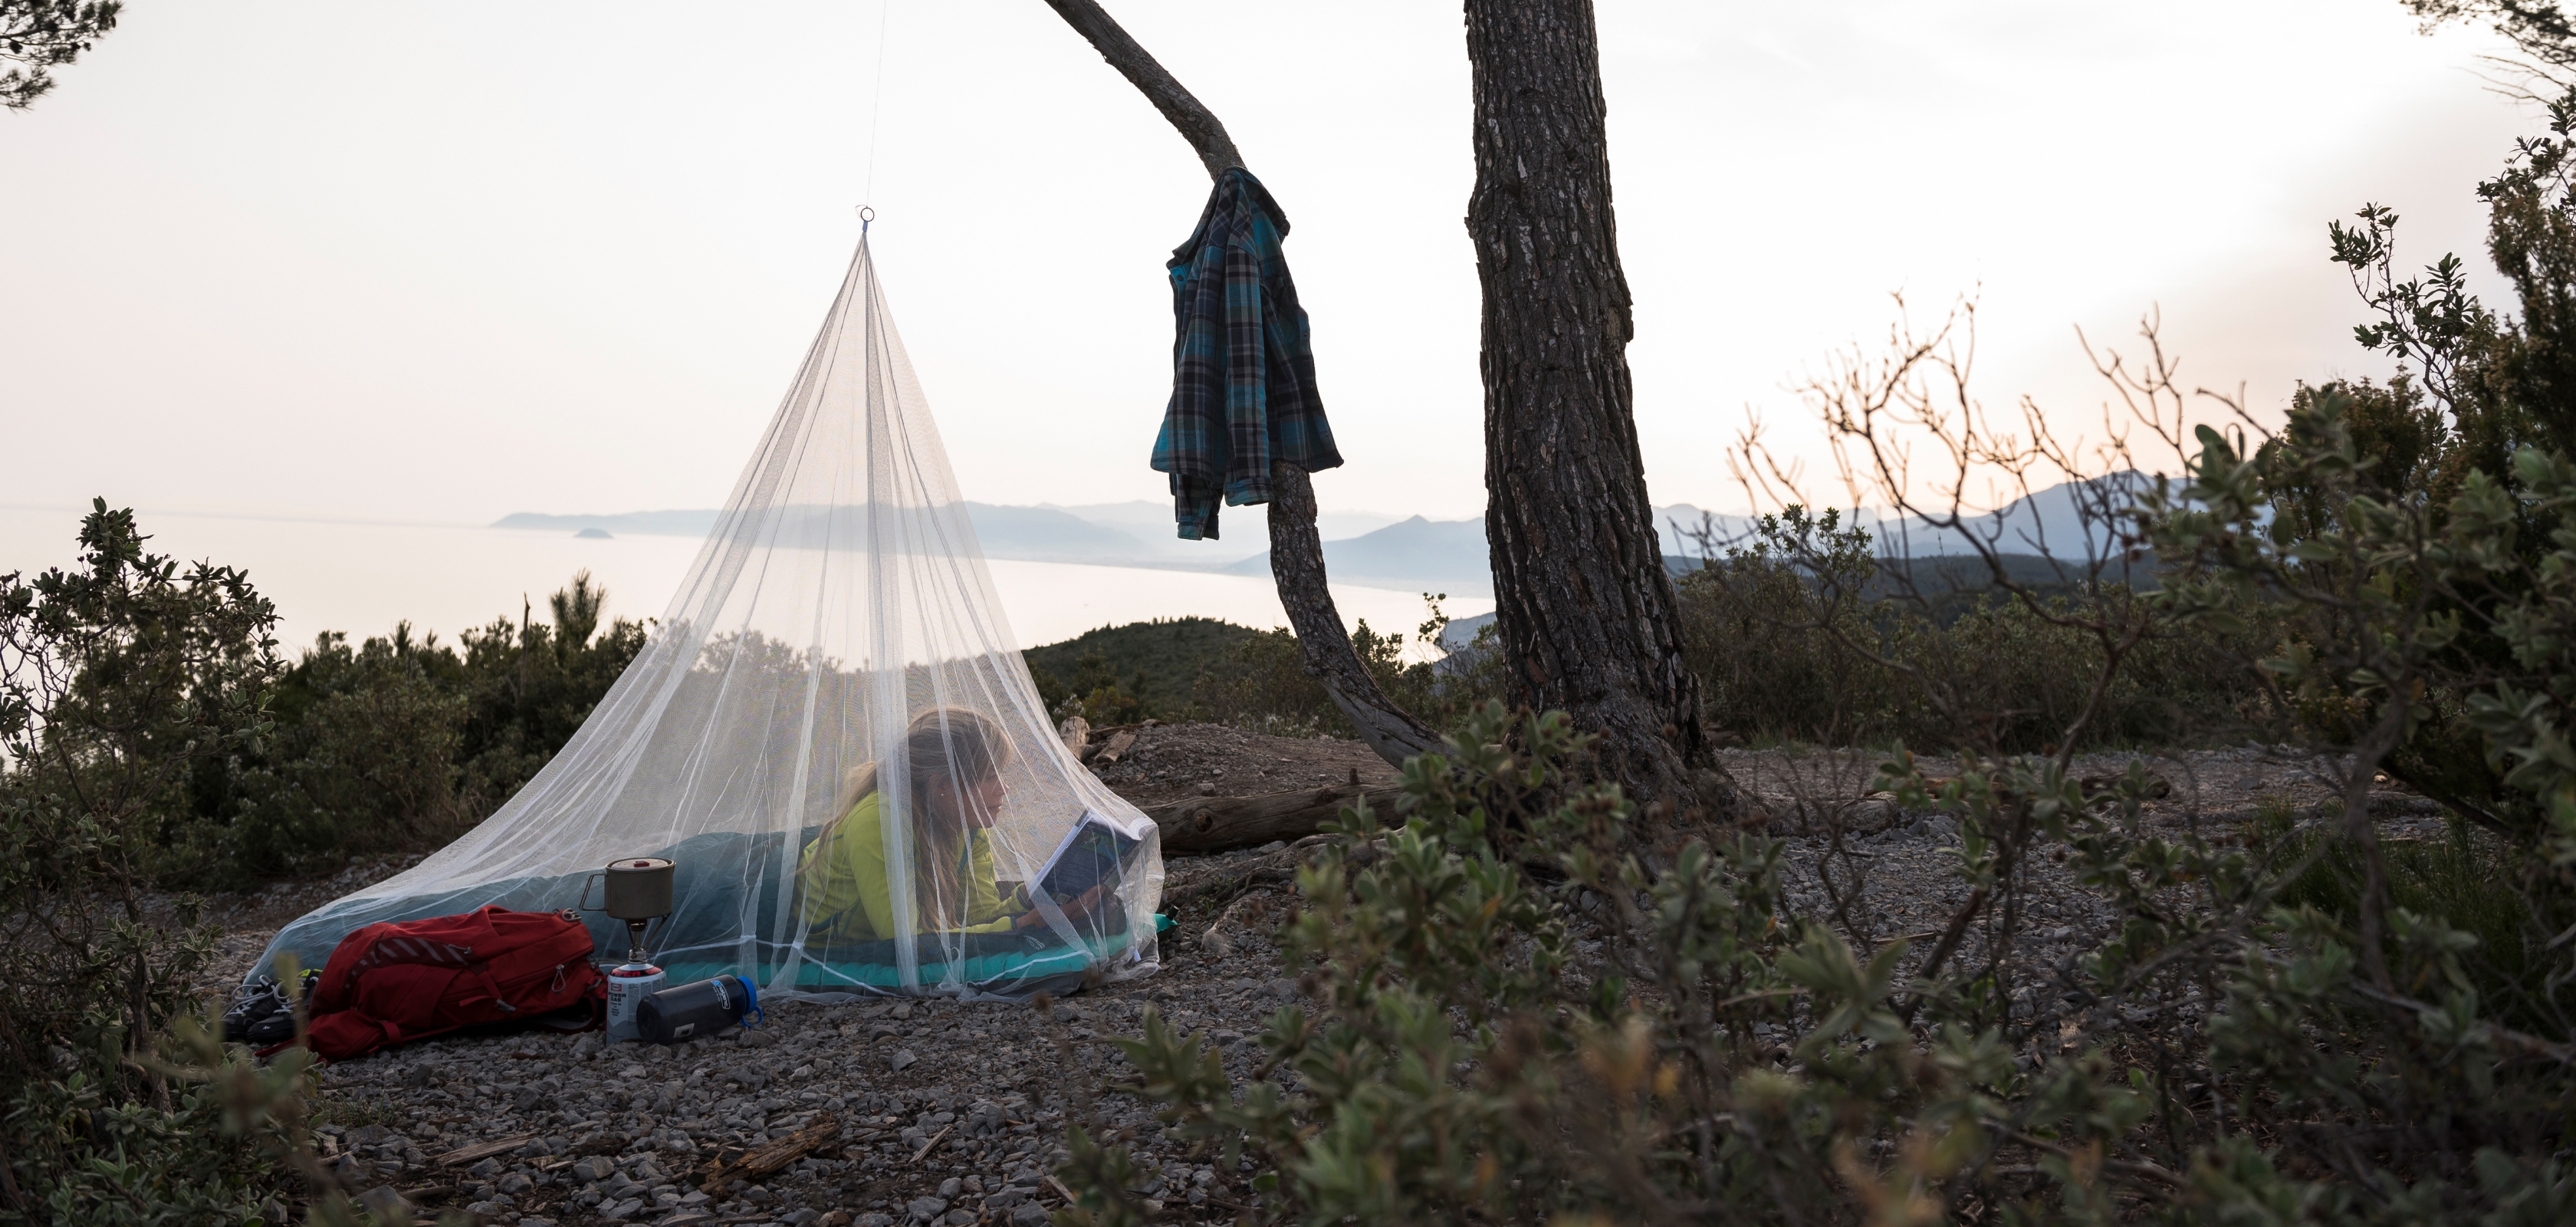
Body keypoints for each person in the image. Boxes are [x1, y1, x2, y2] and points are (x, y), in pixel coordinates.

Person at [796, 707, 1102, 947]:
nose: (1005, 789)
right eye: (990, 777)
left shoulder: (967, 822)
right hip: (828, 943)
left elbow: (978, 917)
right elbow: (905, 943)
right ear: (943, 785)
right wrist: (1024, 924)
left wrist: (1028, 899)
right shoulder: (878, 821)